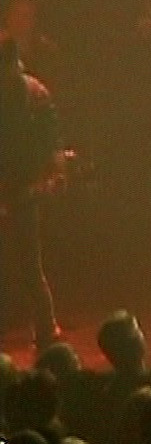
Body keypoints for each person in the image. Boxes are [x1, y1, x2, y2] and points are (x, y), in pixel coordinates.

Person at [0, 36, 62, 352]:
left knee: (29, 263)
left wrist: (42, 179)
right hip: (10, 184)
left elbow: (47, 147)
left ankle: (46, 327)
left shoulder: (35, 96)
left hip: (24, 188)